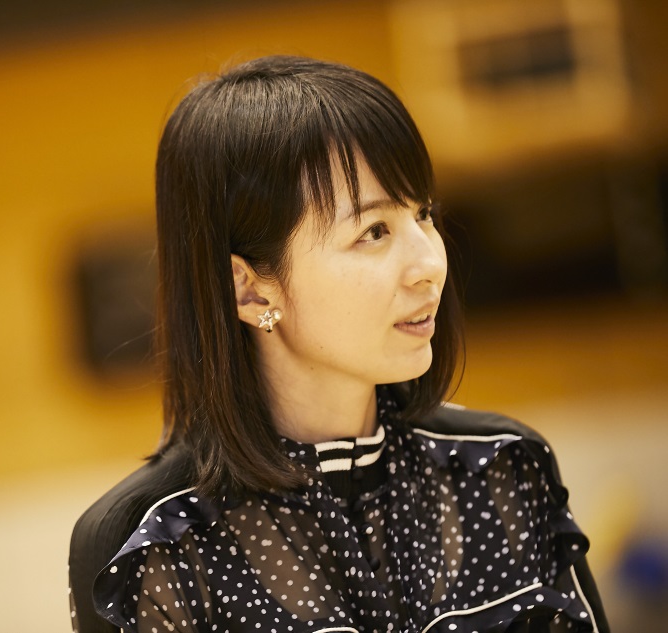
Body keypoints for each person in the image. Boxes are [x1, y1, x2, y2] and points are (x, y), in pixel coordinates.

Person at [68, 55, 608, 633]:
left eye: (423, 214)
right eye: (373, 231)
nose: (430, 263)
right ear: (248, 290)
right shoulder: (154, 548)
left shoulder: (503, 468)